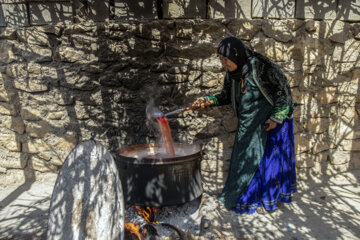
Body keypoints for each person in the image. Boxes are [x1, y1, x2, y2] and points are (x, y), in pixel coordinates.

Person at [192, 37, 296, 214]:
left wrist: (276, 117)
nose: (223, 63)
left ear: (236, 55)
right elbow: (226, 95)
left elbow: (283, 91)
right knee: (247, 162)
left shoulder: (261, 67)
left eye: (225, 59)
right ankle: (249, 198)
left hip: (270, 124)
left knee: (267, 162)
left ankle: (268, 200)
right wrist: (209, 100)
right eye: (220, 59)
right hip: (248, 125)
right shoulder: (233, 75)